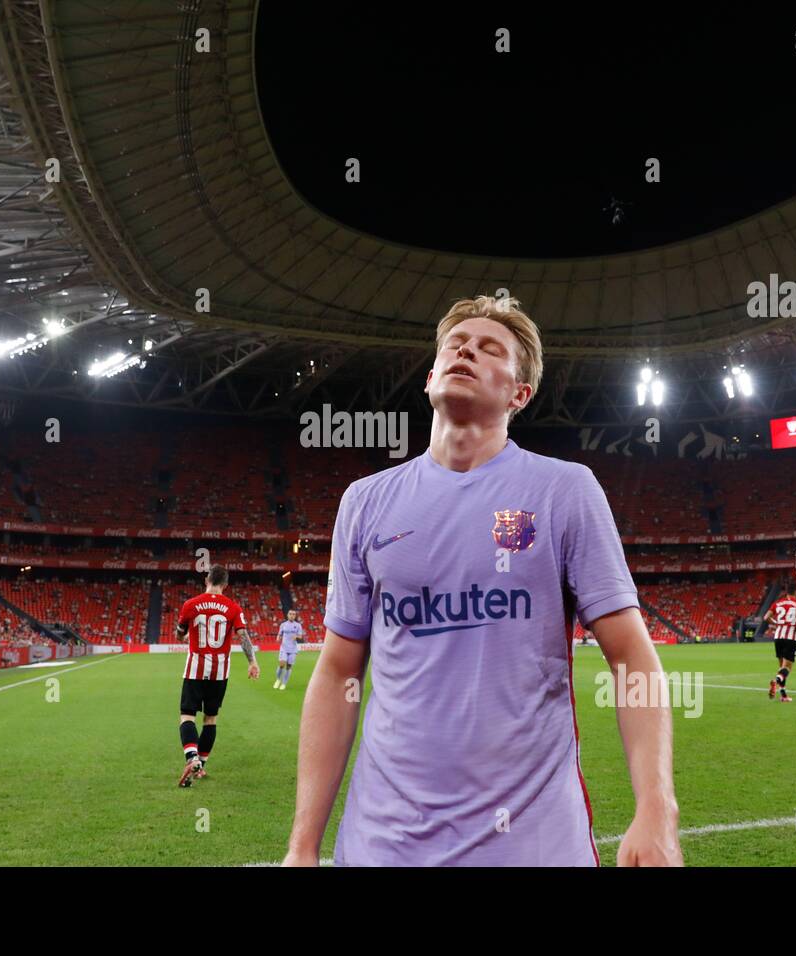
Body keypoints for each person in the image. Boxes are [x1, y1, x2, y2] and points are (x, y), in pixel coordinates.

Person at [283, 295, 681, 867]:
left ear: (519, 394)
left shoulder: (564, 490)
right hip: (383, 846)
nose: (466, 349)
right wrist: (303, 846)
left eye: (490, 348)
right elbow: (339, 669)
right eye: (455, 344)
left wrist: (657, 808)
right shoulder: (365, 503)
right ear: (429, 379)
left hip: (533, 844)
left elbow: (631, 658)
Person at [174, 565, 259, 787]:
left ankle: (191, 758)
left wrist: (183, 635)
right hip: (220, 673)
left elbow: (179, 633)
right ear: (226, 585)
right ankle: (201, 765)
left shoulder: (190, 604)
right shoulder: (233, 607)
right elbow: (243, 637)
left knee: (187, 716)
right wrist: (252, 662)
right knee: (210, 719)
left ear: (206, 580)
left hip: (195, 669)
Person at [765, 581, 796, 702]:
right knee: (787, 668)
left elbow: (766, 617)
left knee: (781, 668)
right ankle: (775, 682)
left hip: (778, 637)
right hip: (791, 637)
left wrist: (777, 623)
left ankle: (783, 695)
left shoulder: (778, 603)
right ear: (795, 590)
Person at [274, 608, 303, 690]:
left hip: (293, 649)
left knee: (289, 666)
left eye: (293, 614)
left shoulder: (298, 625)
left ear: (295, 616)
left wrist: (296, 636)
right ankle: (278, 679)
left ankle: (284, 683)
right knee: (282, 664)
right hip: (284, 648)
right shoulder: (283, 625)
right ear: (287, 615)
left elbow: (300, 636)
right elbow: (279, 634)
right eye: (290, 614)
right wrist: (278, 638)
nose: (292, 615)